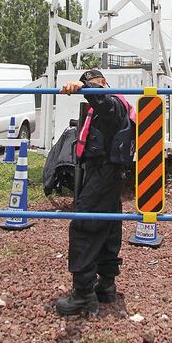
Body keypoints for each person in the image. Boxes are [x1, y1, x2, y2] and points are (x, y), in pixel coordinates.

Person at [55, 69, 130, 316]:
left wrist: (84, 87)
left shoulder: (113, 104)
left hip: (104, 173)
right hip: (106, 173)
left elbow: (103, 101)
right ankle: (106, 285)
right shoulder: (113, 106)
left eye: (94, 83)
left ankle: (83, 294)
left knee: (84, 226)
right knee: (109, 228)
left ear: (104, 83)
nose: (90, 87)